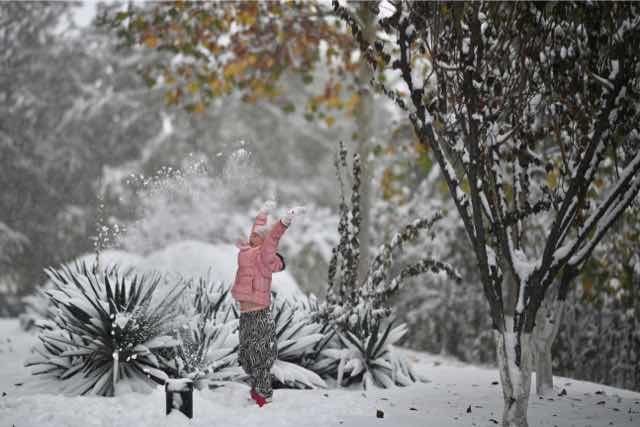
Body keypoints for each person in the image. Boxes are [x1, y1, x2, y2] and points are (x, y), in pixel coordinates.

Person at [230, 200, 304, 407]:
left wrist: (282, 220)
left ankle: (263, 394)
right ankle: (259, 390)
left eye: (257, 235)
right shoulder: (250, 251)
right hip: (251, 314)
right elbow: (261, 232)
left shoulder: (260, 254)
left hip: (255, 313)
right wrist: (268, 215)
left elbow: (270, 237)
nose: (253, 235)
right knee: (250, 355)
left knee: (257, 355)